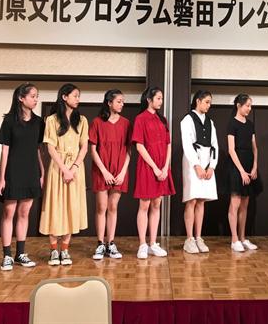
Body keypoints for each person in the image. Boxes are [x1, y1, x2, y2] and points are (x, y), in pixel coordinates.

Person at [0, 83, 45, 271]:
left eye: (36, 96)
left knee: (24, 213)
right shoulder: (9, 121)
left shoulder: (39, 122)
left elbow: (38, 149)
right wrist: (1, 178)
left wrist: (42, 171)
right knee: (9, 213)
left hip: (31, 171)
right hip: (12, 172)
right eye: (32, 96)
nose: (35, 99)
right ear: (21, 98)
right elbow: (5, 151)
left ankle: (21, 253)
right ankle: (7, 255)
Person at [39, 83, 89, 266]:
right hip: (57, 168)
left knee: (71, 207)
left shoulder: (82, 120)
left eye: (78, 96)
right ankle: (54, 250)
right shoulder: (51, 120)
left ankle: (65, 249)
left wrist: (73, 168)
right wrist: (64, 169)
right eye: (75, 95)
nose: (78, 99)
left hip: (75, 168)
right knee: (55, 206)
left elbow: (84, 147)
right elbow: (50, 148)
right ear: (64, 97)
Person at [132, 86, 175, 259]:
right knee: (144, 205)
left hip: (162, 167)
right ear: (149, 100)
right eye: (158, 98)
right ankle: (142, 244)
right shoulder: (140, 118)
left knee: (157, 204)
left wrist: (165, 167)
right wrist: (155, 167)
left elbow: (168, 144)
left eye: (161, 98)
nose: (161, 101)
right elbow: (139, 145)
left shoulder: (162, 120)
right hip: (147, 167)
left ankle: (153, 243)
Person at [89, 89, 132, 260]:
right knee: (101, 207)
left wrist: (123, 172)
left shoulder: (126, 123)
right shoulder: (97, 122)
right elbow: (93, 150)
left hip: (119, 171)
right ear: (109, 102)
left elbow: (129, 151)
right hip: (102, 171)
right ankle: (100, 243)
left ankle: (111, 243)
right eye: (119, 101)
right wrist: (104, 171)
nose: (122, 104)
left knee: (113, 207)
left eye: (123, 101)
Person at [180, 90, 219, 254]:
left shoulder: (210, 122)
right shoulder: (187, 120)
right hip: (193, 162)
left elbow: (215, 144)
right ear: (198, 101)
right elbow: (187, 144)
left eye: (210, 103)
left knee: (201, 200)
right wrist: (196, 165)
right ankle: (189, 239)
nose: (209, 105)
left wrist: (212, 166)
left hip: (207, 160)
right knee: (192, 199)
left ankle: (198, 237)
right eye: (207, 102)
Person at [226, 93, 262, 252]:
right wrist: (241, 171)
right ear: (239, 106)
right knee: (235, 203)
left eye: (250, 106)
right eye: (247, 105)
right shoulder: (232, 124)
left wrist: (254, 167)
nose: (249, 108)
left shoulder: (250, 124)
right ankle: (234, 239)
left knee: (245, 204)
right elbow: (231, 149)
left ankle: (242, 237)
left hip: (249, 164)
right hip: (236, 166)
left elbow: (255, 147)